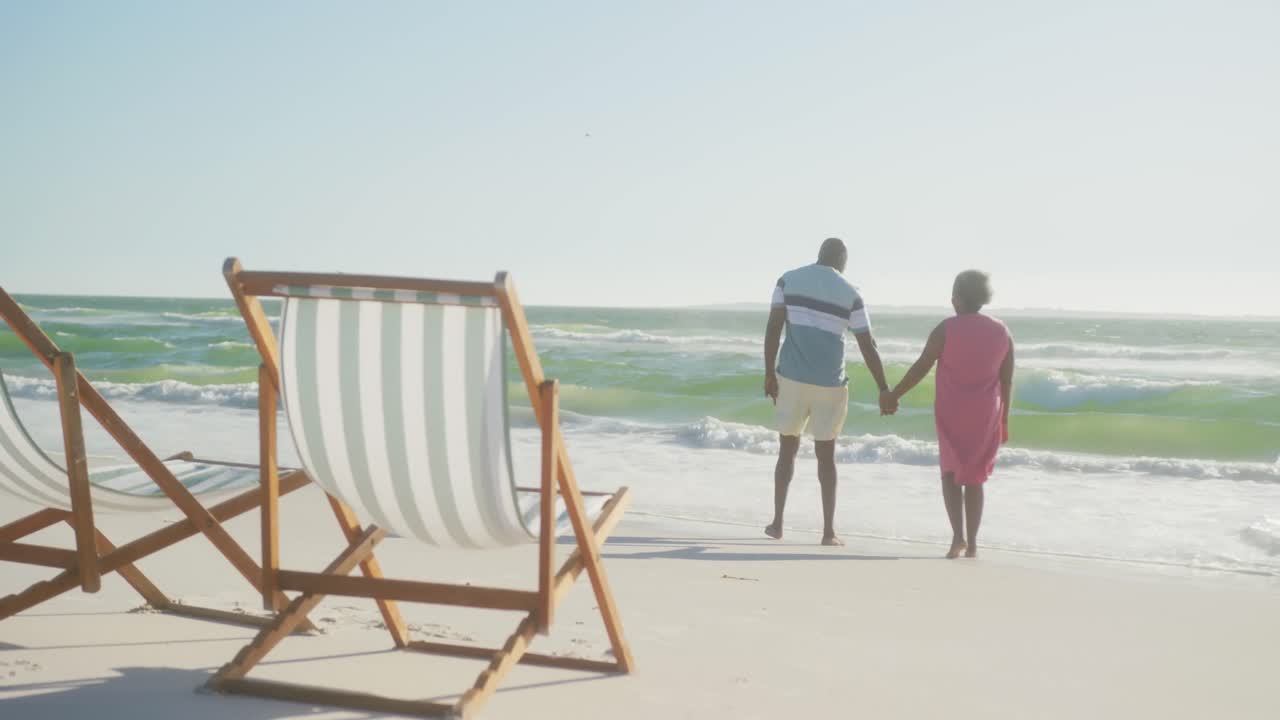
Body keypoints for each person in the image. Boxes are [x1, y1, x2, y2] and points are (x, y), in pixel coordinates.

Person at [763, 238, 894, 546]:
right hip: (830, 385)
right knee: (826, 457)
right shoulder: (851, 292)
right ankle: (828, 532)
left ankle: (778, 523)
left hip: (791, 379)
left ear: (819, 255)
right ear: (842, 262)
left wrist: (769, 373)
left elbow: (773, 328)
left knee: (787, 450)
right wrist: (884, 388)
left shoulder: (788, 280)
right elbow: (867, 344)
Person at [890, 270, 1015, 558]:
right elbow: (1006, 380)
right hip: (986, 416)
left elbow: (921, 367)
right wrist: (1004, 419)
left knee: (950, 473)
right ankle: (972, 543)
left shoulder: (945, 329)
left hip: (952, 413)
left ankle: (956, 537)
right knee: (975, 478)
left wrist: (894, 395)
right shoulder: (1002, 332)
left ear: (956, 298)